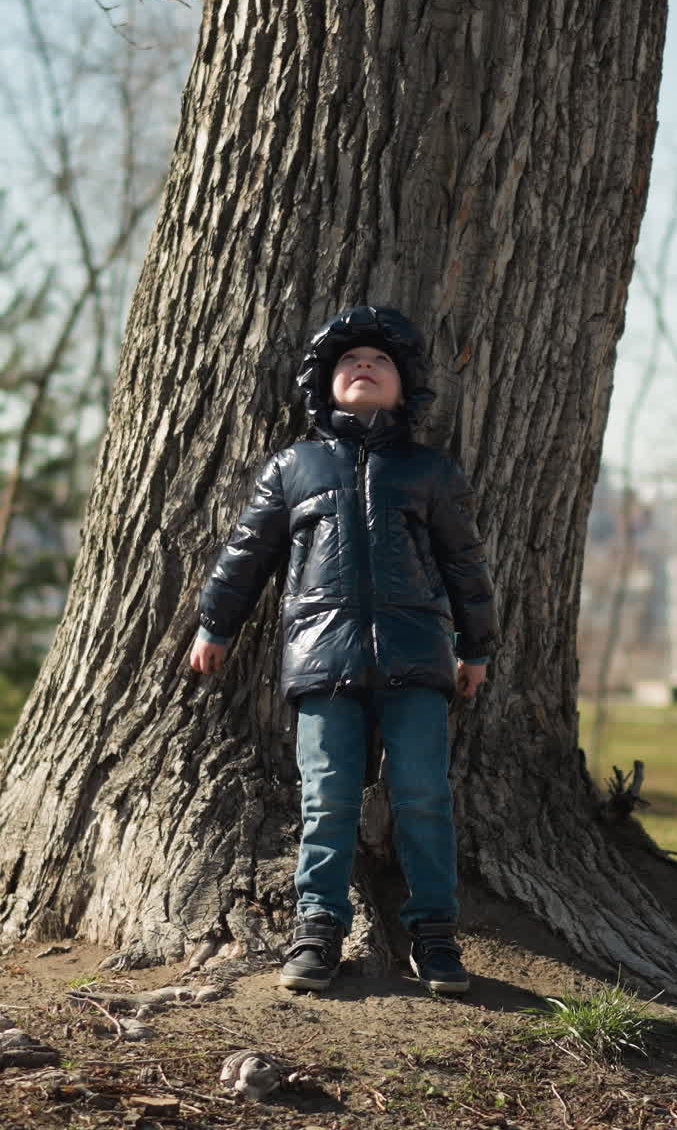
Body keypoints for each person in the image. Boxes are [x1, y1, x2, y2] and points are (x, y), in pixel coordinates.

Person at [190, 305, 499, 994]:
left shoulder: (428, 472)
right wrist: (216, 624)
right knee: (327, 798)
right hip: (323, 663)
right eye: (349, 361)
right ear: (324, 383)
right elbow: (245, 556)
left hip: (418, 659)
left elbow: (465, 567)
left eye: (380, 362)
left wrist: (475, 647)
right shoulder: (293, 468)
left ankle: (434, 934)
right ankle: (318, 928)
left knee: (423, 796)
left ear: (404, 386)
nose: (364, 366)